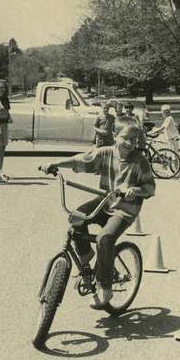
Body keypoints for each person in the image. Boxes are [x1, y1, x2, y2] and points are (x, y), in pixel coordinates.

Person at [41, 117, 156, 307]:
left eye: (135, 140)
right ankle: (86, 256)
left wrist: (135, 190)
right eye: (126, 138)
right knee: (76, 217)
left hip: (124, 210)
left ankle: (105, 287)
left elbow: (150, 188)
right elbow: (80, 160)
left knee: (105, 238)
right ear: (115, 135)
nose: (130, 143)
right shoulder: (105, 153)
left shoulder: (139, 161)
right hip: (104, 201)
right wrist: (55, 164)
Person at [0, 79, 12, 181]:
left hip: (4, 125)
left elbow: (7, 111)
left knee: (3, 148)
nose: (2, 90)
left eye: (4, 88)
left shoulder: (5, 99)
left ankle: (0, 170)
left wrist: (9, 117)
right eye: (1, 87)